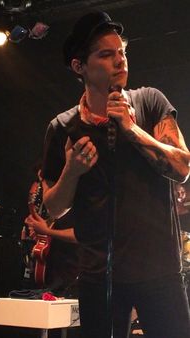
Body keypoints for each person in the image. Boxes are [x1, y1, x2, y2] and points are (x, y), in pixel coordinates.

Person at [40, 10, 190, 338]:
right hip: (99, 275)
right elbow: (52, 208)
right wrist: (72, 172)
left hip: (160, 270)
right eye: (106, 55)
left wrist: (132, 130)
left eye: (121, 52)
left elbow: (182, 168)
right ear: (79, 66)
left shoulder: (150, 103)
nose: (119, 61)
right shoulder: (63, 128)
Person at [23, 171, 79, 297]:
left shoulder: (74, 198)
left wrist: (47, 231)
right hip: (44, 273)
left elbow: (82, 235)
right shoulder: (44, 197)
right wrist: (34, 226)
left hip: (68, 276)